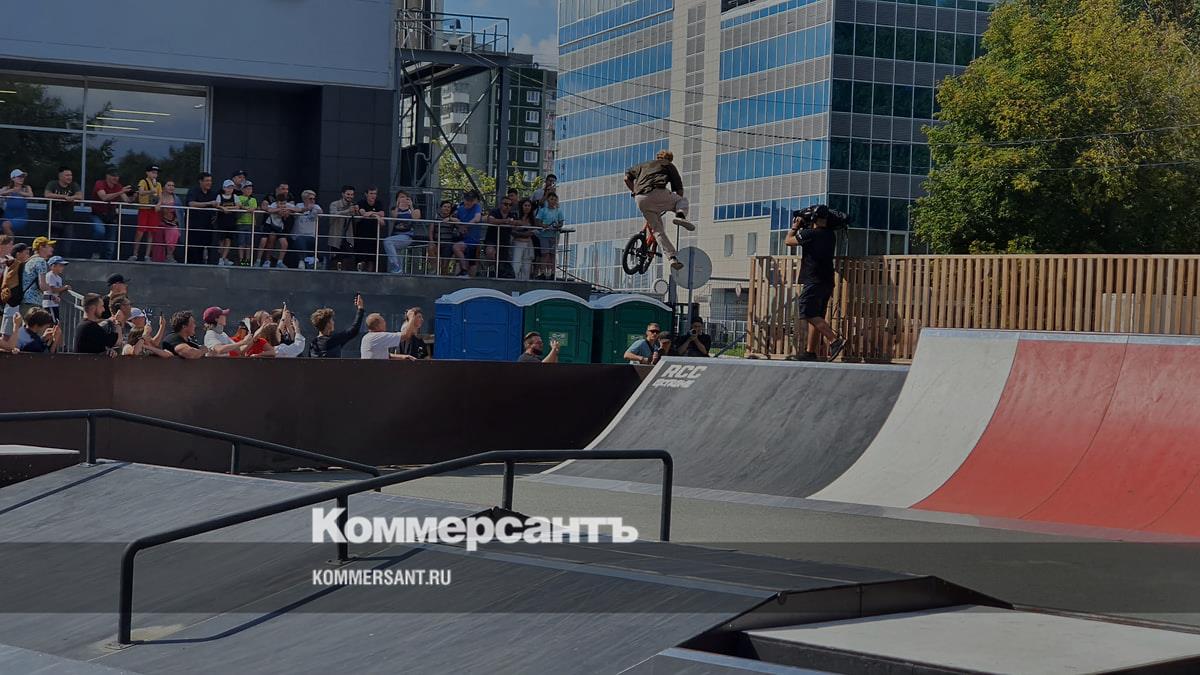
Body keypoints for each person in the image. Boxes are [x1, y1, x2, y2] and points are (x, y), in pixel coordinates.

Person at [784, 205, 846, 362]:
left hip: (813, 280)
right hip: (827, 281)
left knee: (808, 313)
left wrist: (795, 227)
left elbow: (788, 241)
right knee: (817, 316)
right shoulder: (830, 235)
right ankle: (810, 352)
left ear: (813, 219)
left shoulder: (810, 234)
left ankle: (834, 340)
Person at [624, 150, 695, 271]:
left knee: (658, 231)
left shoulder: (642, 165)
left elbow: (626, 178)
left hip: (640, 199)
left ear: (657, 157)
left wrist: (634, 191)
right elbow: (679, 189)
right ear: (669, 159)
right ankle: (680, 216)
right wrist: (676, 206)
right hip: (657, 192)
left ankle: (672, 258)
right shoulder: (668, 165)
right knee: (682, 201)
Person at [91, 167, 131, 260]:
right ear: (107, 176)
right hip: (98, 214)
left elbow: (127, 200)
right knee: (99, 231)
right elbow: (104, 197)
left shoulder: (118, 186)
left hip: (111, 216)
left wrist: (133, 196)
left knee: (110, 245)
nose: (116, 178)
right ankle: (96, 252)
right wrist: (120, 192)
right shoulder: (100, 183)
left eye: (117, 176)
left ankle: (107, 262)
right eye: (113, 175)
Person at [310, 293, 365, 358]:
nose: (333, 322)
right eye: (332, 320)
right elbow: (353, 330)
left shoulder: (313, 343)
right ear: (328, 324)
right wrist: (360, 308)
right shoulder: (332, 341)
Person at [187, 172, 221, 265]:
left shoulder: (213, 193)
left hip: (210, 225)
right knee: (195, 248)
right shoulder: (193, 191)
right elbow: (191, 203)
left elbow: (219, 205)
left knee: (245, 245)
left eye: (210, 181)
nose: (209, 183)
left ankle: (245, 263)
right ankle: (194, 265)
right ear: (200, 181)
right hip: (195, 225)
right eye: (207, 181)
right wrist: (208, 203)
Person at [383, 191, 421, 274]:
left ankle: (395, 266)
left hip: (407, 236)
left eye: (405, 197)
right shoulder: (394, 208)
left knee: (387, 241)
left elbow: (416, 218)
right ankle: (398, 271)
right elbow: (394, 218)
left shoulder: (415, 208)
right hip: (395, 235)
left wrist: (411, 206)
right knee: (397, 254)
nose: (403, 199)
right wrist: (397, 206)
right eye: (401, 197)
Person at [130, 165, 162, 262]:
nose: (155, 175)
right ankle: (135, 254)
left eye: (156, 173)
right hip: (144, 209)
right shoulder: (143, 181)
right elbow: (141, 192)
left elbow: (160, 197)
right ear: (147, 173)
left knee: (151, 233)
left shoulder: (158, 184)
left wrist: (159, 204)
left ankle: (147, 256)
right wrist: (150, 191)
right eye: (153, 172)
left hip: (153, 210)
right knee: (140, 232)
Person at [260, 183, 295, 268]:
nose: (285, 191)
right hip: (267, 224)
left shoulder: (290, 196)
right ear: (277, 189)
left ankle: (279, 262)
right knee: (260, 242)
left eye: (287, 189)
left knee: (283, 243)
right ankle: (246, 263)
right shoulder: (269, 196)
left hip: (281, 225)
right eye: (283, 189)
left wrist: (287, 210)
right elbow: (264, 207)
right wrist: (277, 210)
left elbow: (294, 208)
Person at [20, 236, 54, 320]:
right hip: (34, 305)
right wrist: (51, 288)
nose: (52, 248)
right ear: (41, 247)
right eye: (49, 246)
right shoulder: (41, 261)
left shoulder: (29, 261)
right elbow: (42, 286)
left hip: (24, 302)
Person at [483, 195, 517, 278]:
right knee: (490, 252)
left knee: (503, 260)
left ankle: (499, 273)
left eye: (510, 205)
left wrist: (514, 223)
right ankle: (490, 270)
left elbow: (517, 224)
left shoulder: (512, 214)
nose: (508, 206)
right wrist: (505, 221)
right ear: (500, 204)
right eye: (505, 204)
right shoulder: (494, 211)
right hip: (492, 238)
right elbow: (490, 220)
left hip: (505, 240)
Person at [2, 242, 30, 338]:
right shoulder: (15, 264)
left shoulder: (17, 265)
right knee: (7, 334)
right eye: (26, 253)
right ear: (18, 254)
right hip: (13, 303)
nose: (28, 256)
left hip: (15, 304)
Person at [354, 187, 387, 272]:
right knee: (361, 258)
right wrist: (376, 215)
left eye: (375, 193)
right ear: (366, 194)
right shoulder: (361, 202)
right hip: (362, 234)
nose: (373, 196)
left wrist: (371, 213)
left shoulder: (378, 203)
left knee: (371, 259)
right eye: (371, 193)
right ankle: (360, 274)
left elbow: (382, 213)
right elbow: (363, 213)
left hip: (374, 235)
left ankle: (370, 275)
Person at [327, 186, 359, 269]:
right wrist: (347, 211)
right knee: (335, 260)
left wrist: (357, 212)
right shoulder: (334, 204)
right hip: (336, 236)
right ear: (343, 194)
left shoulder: (353, 205)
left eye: (352, 194)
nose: (350, 196)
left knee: (348, 259)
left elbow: (357, 221)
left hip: (348, 237)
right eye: (348, 194)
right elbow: (333, 215)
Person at [534, 192, 564, 280]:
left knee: (552, 254)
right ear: (548, 200)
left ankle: (552, 273)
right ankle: (543, 272)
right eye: (551, 199)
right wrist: (543, 225)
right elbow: (537, 221)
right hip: (544, 235)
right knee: (545, 254)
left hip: (554, 235)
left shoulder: (559, 211)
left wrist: (557, 226)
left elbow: (561, 222)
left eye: (555, 199)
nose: (553, 201)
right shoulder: (543, 210)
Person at [455, 190, 484, 276]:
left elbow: (477, 218)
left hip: (473, 239)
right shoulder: (460, 208)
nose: (469, 202)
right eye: (467, 199)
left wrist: (465, 226)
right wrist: (459, 227)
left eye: (471, 200)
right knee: (458, 253)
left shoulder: (477, 207)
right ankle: (463, 270)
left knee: (472, 262)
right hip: (463, 238)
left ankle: (466, 272)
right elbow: (454, 219)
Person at [291, 190, 321, 269]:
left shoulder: (316, 206)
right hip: (298, 235)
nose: (312, 200)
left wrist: (314, 210)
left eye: (314, 199)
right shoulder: (299, 205)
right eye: (310, 199)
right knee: (300, 240)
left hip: (311, 236)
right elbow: (295, 210)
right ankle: (302, 261)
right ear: (304, 199)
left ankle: (303, 261)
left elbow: (320, 211)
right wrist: (306, 209)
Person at [510, 199, 538, 281]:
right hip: (517, 243)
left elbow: (532, 232)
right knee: (516, 265)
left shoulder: (532, 219)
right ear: (521, 206)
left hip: (528, 244)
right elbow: (512, 230)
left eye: (529, 206)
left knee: (526, 266)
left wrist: (522, 231)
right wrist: (523, 232)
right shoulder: (516, 216)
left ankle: (525, 282)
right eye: (525, 205)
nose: (527, 207)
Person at [214, 180, 240, 266]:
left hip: (231, 222)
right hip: (222, 222)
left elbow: (238, 206)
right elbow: (217, 205)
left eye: (231, 187)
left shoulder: (235, 196)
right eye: (228, 187)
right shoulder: (219, 196)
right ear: (224, 188)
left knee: (228, 240)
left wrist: (227, 208)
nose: (230, 189)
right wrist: (222, 208)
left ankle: (224, 258)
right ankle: (222, 258)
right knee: (221, 241)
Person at [155, 184, 183, 263]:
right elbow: (155, 209)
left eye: (173, 185)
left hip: (172, 223)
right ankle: (158, 259)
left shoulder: (176, 199)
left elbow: (180, 212)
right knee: (158, 239)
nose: (171, 187)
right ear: (163, 187)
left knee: (173, 234)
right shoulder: (158, 197)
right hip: (160, 221)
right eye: (169, 185)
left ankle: (169, 255)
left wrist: (176, 220)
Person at [1, 169, 34, 235]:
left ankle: (11, 241)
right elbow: (1, 193)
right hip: (7, 216)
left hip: (21, 217)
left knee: (5, 225)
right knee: (4, 227)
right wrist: (11, 191)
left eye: (23, 177)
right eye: (19, 177)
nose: (22, 178)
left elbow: (31, 195)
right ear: (13, 178)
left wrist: (19, 192)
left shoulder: (27, 187)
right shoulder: (7, 188)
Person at [234, 181, 258, 266]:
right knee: (241, 243)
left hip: (250, 223)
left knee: (249, 243)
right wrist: (247, 209)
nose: (249, 190)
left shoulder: (253, 199)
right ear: (242, 190)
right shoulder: (238, 197)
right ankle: (241, 259)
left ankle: (247, 260)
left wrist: (251, 209)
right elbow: (239, 205)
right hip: (241, 223)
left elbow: (254, 207)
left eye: (250, 189)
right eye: (247, 189)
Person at [41, 255, 70, 323]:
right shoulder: (50, 275)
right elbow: (53, 290)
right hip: (49, 304)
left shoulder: (59, 278)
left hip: (55, 304)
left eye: (63, 266)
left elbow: (58, 291)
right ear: (53, 266)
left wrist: (63, 290)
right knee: (53, 323)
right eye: (60, 265)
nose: (62, 268)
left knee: (55, 322)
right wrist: (65, 287)